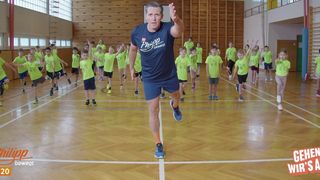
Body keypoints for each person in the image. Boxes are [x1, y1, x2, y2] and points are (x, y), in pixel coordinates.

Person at [129, 1, 184, 159]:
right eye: (151, 14)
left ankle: (175, 106)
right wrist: (131, 67)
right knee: (153, 109)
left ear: (162, 16)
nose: (153, 18)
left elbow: (178, 31)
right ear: (146, 15)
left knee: (176, 95)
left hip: (169, 75)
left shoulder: (167, 28)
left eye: (157, 15)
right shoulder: (137, 32)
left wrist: (177, 20)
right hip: (150, 78)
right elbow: (133, 49)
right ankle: (158, 143)